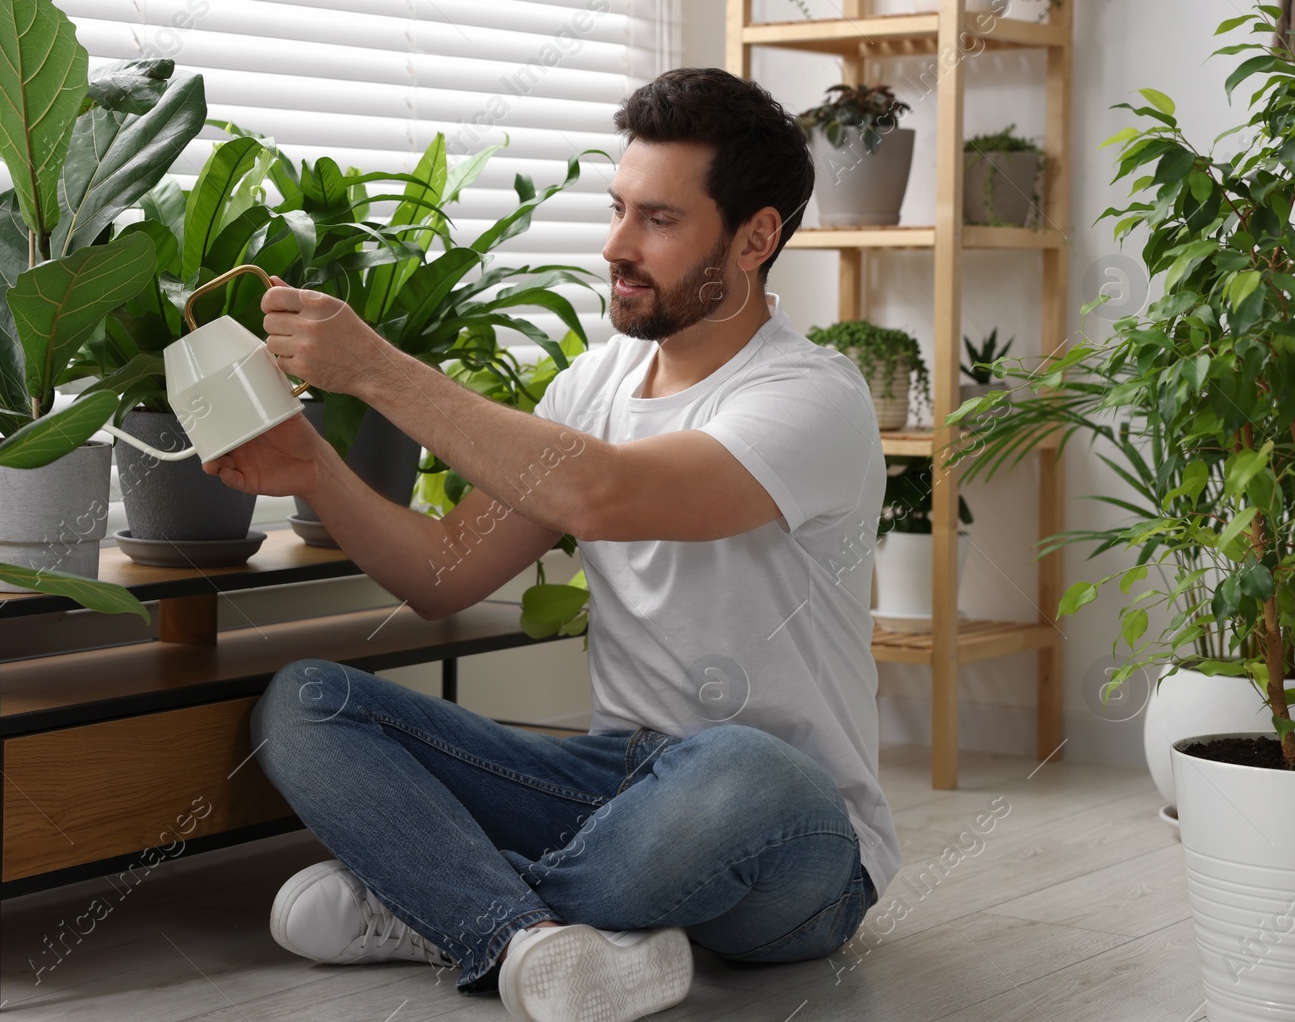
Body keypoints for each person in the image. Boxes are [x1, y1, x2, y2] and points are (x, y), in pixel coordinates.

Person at [201, 67, 898, 1022]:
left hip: (792, 839)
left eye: (658, 219)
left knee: (743, 765)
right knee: (307, 702)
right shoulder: (596, 382)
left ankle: (459, 911)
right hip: (612, 787)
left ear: (755, 237)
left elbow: (603, 493)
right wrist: (316, 469)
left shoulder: (811, 398)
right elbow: (445, 573)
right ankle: (530, 937)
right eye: (618, 209)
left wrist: (377, 370)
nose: (616, 244)